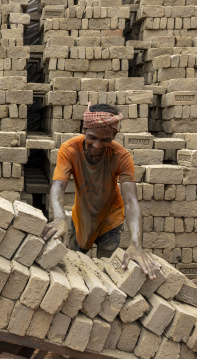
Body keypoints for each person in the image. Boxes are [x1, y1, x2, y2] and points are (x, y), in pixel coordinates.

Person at [42, 103, 160, 279]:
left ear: (114, 135)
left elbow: (131, 201)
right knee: (73, 266)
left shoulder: (122, 156)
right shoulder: (69, 150)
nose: (97, 145)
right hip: (81, 217)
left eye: (105, 140)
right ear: (84, 129)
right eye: (92, 137)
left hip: (111, 218)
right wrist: (59, 218)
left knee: (107, 273)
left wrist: (136, 243)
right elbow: (58, 186)